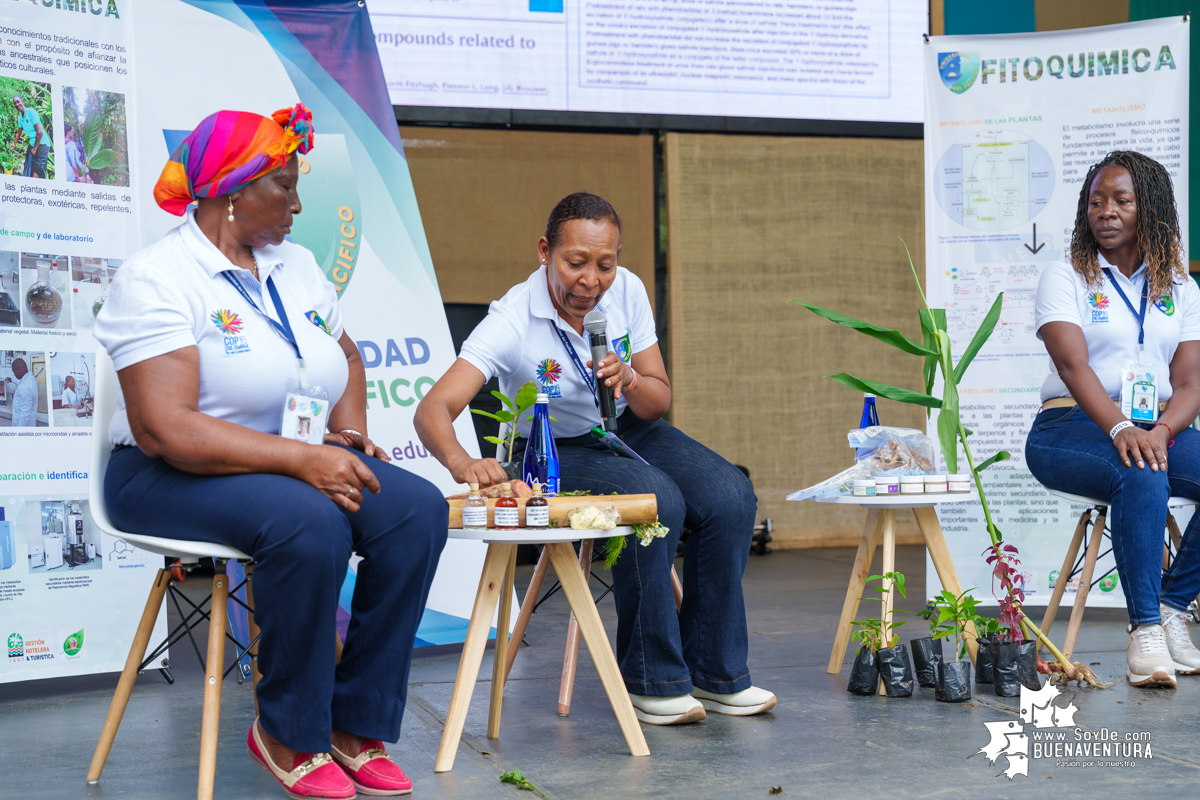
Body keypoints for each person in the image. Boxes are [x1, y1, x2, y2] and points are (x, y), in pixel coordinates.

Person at [94, 104, 447, 798]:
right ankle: (286, 730)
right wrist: (302, 461)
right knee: (307, 521)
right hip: (165, 472)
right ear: (232, 189)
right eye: (284, 185)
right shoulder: (159, 277)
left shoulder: (297, 265)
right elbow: (168, 428)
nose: (298, 202)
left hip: (287, 459)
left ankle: (355, 723)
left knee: (415, 512)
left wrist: (342, 437)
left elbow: (343, 352)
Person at [415, 192, 775, 725]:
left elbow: (658, 399)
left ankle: (715, 673)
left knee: (730, 496)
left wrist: (629, 378)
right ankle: (653, 680)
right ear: (545, 251)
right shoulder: (514, 319)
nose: (592, 279)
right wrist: (463, 463)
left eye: (605, 264)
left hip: (627, 428)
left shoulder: (627, 291)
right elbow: (433, 408)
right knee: (658, 500)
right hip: (550, 448)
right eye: (576, 262)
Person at [1025, 150, 1200, 688]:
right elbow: (1072, 364)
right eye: (1096, 201)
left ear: (1149, 209)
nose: (1106, 211)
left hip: (1157, 425)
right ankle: (1145, 631)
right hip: (1070, 426)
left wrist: (1164, 431)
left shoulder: (1181, 286)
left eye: (1122, 201)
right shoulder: (1067, 276)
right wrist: (1122, 429)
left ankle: (1172, 604)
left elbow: (1191, 382)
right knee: (1140, 471)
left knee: (1151, 458)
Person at [12, 94, 50, 179]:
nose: (17, 104)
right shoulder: (20, 118)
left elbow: (40, 133)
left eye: (18, 102)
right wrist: (14, 144)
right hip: (33, 142)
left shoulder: (31, 112)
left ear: (22, 101)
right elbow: (18, 134)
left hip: (43, 143)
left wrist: (35, 148)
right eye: (15, 103)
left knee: (37, 171)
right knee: (28, 166)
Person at [9, 357, 38, 427]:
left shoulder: (24, 387)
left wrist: (19, 432)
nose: (14, 375)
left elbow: (25, 415)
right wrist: (12, 380)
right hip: (30, 423)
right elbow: (21, 382)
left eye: (14, 372)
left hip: (23, 426)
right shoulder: (30, 379)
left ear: (19, 370)